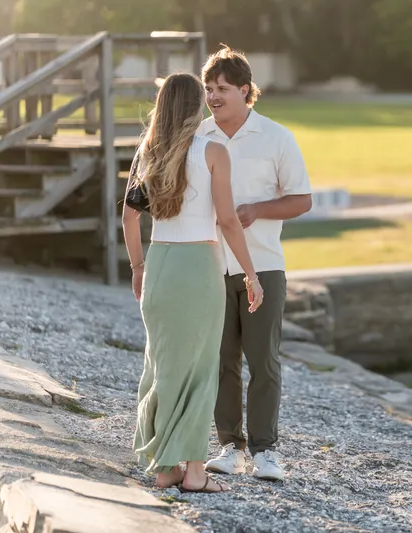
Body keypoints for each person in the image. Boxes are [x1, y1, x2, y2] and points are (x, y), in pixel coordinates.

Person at [122, 72, 264, 494]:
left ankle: (166, 467)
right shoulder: (213, 151)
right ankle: (196, 473)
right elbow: (226, 221)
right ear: (194, 107)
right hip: (199, 266)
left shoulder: (145, 154)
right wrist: (251, 274)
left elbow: (130, 217)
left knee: (163, 367)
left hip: (160, 263)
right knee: (200, 370)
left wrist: (137, 267)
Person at [198, 46, 312, 482]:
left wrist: (258, 209)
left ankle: (266, 451)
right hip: (208, 263)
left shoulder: (277, 137)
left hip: (262, 265)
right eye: (209, 89)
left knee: (263, 363)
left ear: (246, 91)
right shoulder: (198, 136)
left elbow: (302, 200)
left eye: (222, 89)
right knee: (220, 360)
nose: (213, 96)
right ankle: (230, 446)